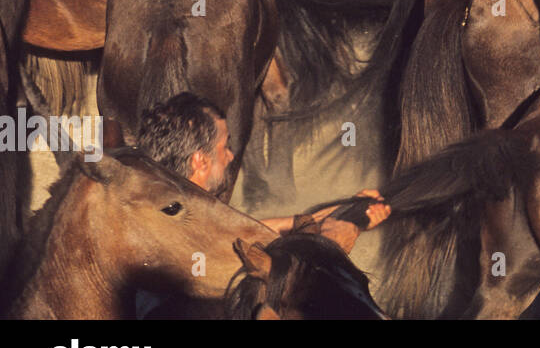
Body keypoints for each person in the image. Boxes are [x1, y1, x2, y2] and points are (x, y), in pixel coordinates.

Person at [137, 92, 389, 254]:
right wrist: (335, 245)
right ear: (200, 162)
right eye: (224, 147)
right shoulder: (194, 238)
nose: (230, 156)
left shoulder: (163, 207)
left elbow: (249, 230)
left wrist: (344, 211)